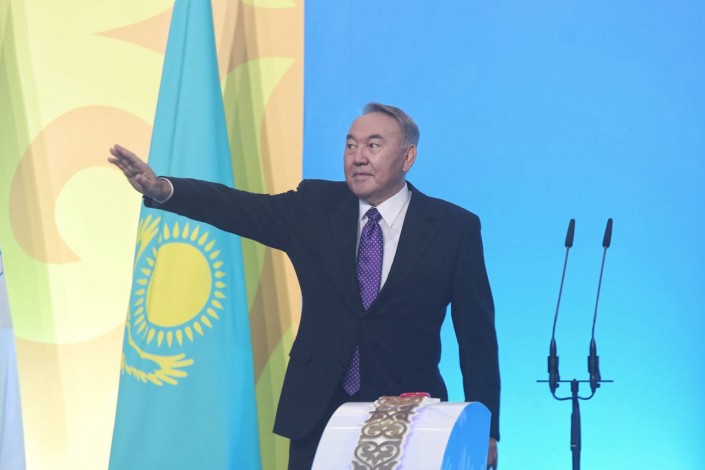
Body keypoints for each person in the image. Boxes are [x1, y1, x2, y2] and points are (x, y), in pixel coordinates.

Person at [109, 103, 500, 469]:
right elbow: (238, 207)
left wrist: (487, 428)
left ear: (408, 157)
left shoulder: (453, 229)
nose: (358, 157)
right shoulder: (314, 206)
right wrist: (164, 190)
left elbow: (477, 337)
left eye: (373, 145)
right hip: (317, 411)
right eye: (350, 145)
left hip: (408, 416)